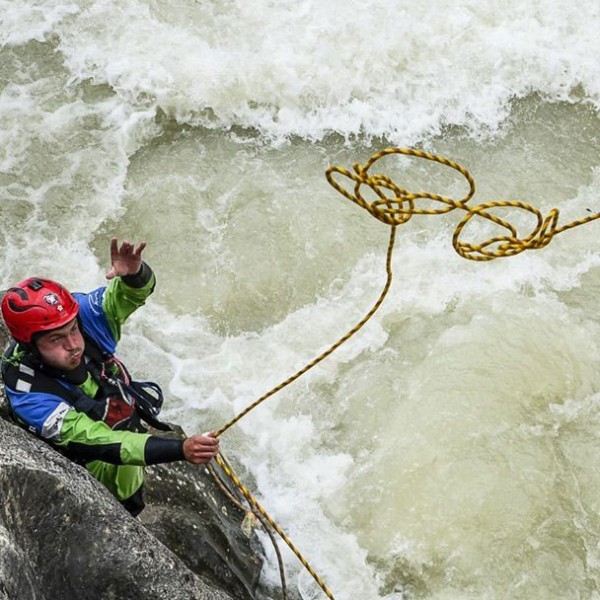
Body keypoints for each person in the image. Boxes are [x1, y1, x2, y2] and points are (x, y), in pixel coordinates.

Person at [0, 238, 219, 516]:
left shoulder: (76, 313)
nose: (73, 344)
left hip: (104, 396)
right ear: (30, 345)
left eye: (72, 330)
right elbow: (100, 442)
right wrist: (180, 449)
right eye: (57, 339)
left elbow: (124, 298)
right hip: (94, 461)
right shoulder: (29, 394)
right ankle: (130, 509)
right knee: (127, 489)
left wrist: (134, 277)